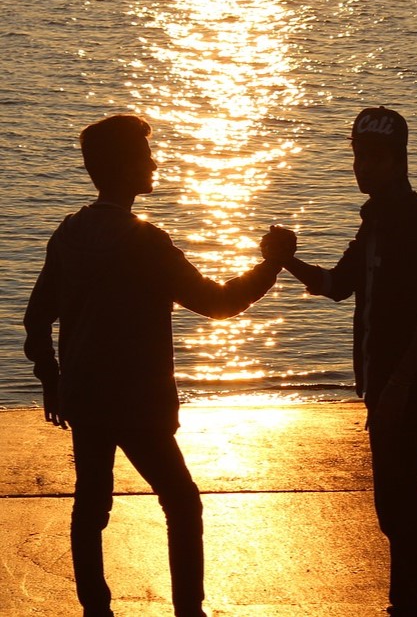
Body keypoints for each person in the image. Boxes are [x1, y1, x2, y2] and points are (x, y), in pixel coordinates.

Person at [24, 114, 281, 617]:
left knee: (91, 505)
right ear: (123, 166)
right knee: (181, 501)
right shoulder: (145, 242)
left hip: (85, 397)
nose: (155, 163)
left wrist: (53, 381)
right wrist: (271, 264)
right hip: (136, 402)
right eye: (145, 155)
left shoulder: (70, 233)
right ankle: (189, 610)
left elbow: (36, 319)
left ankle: (96, 608)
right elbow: (219, 303)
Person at [261, 106, 417, 617]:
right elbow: (337, 286)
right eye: (357, 156)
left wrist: (400, 384)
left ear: (399, 160)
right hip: (383, 387)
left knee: (403, 503)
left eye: (374, 158)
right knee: (394, 505)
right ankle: (407, 603)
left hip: (408, 390)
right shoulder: (375, 222)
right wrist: (284, 261)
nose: (362, 167)